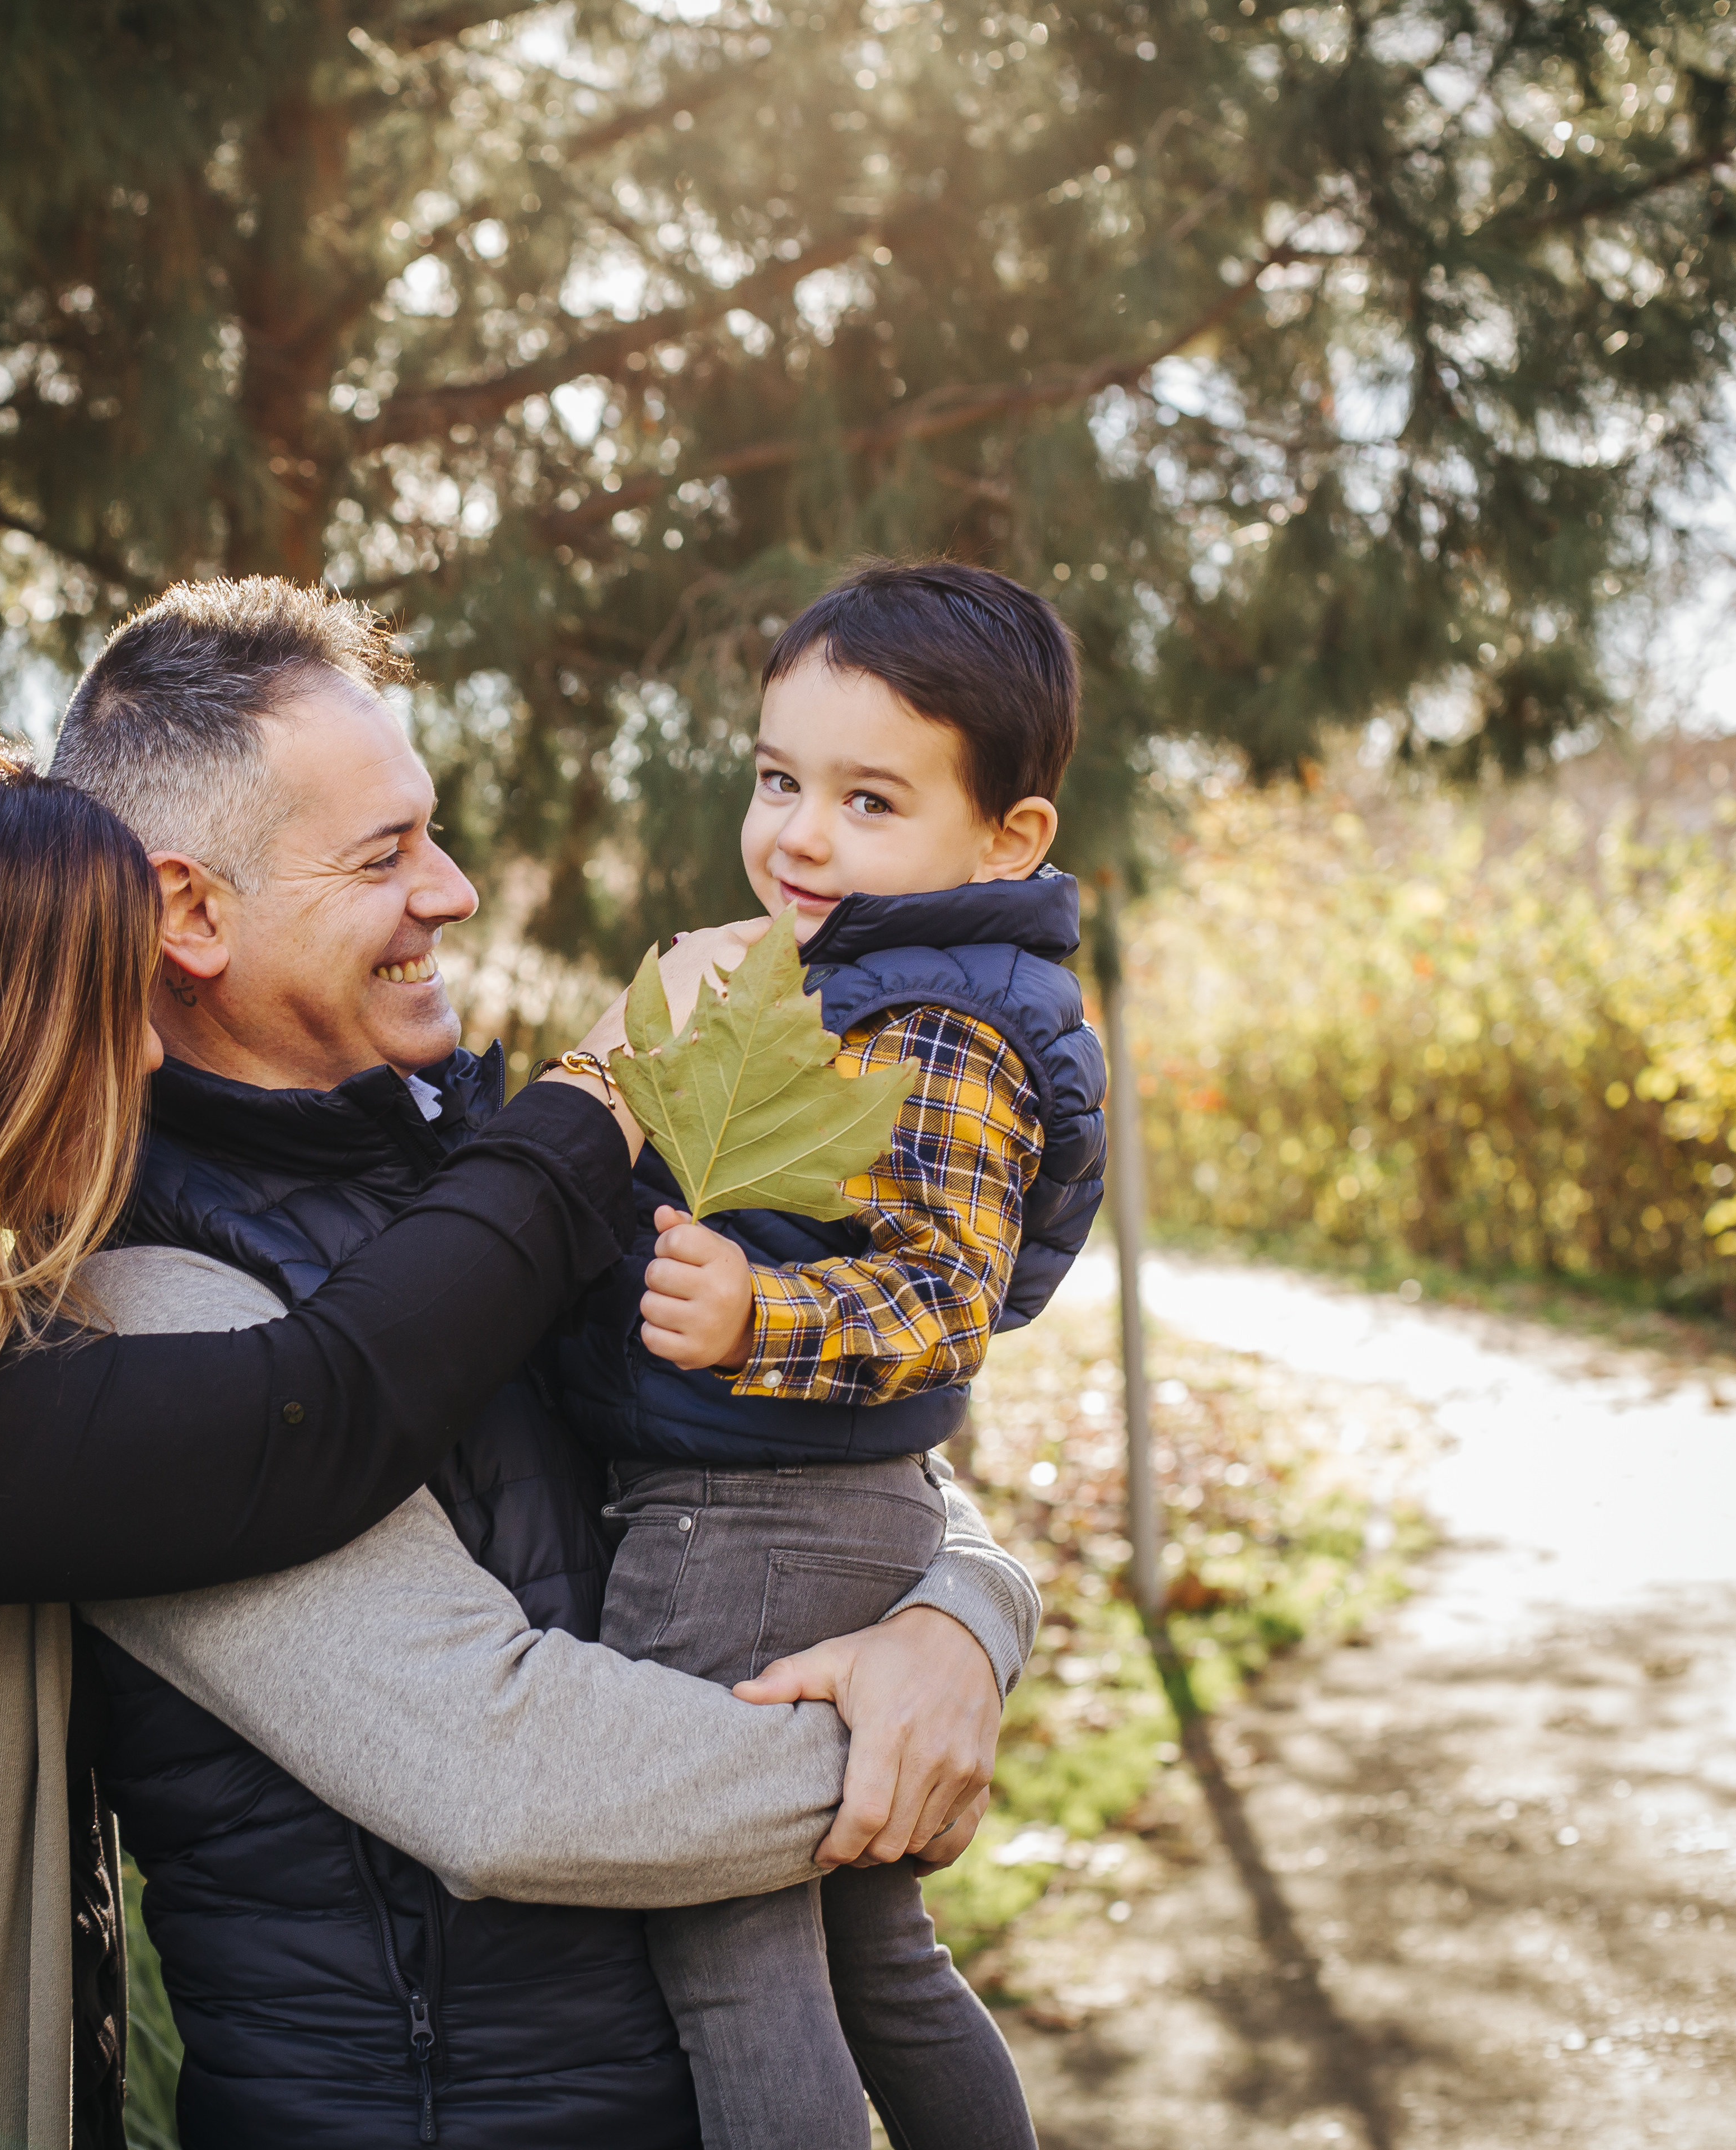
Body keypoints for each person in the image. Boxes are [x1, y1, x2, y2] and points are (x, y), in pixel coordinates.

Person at [0, 724, 943, 2150]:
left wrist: (961, 1616)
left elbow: (775, 1464)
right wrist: (604, 1087)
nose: (141, 1060)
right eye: (93, 1011)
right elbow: (322, 1420)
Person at [46, 579, 1046, 2144]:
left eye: (430, 831)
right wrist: (886, 1753)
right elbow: (506, 1774)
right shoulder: (148, 1304)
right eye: (385, 856)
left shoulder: (498, 1156)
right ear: (191, 913)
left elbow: (806, 1436)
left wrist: (961, 1620)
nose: (450, 890)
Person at [553, 558, 1108, 2149]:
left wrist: (754, 1317)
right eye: (781, 779)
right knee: (874, 1946)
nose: (801, 832)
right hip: (823, 1507)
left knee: (730, 1946)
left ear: (1008, 839)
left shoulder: (943, 1026)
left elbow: (943, 1300)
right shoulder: (844, 983)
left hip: (751, 1529)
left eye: (870, 801)